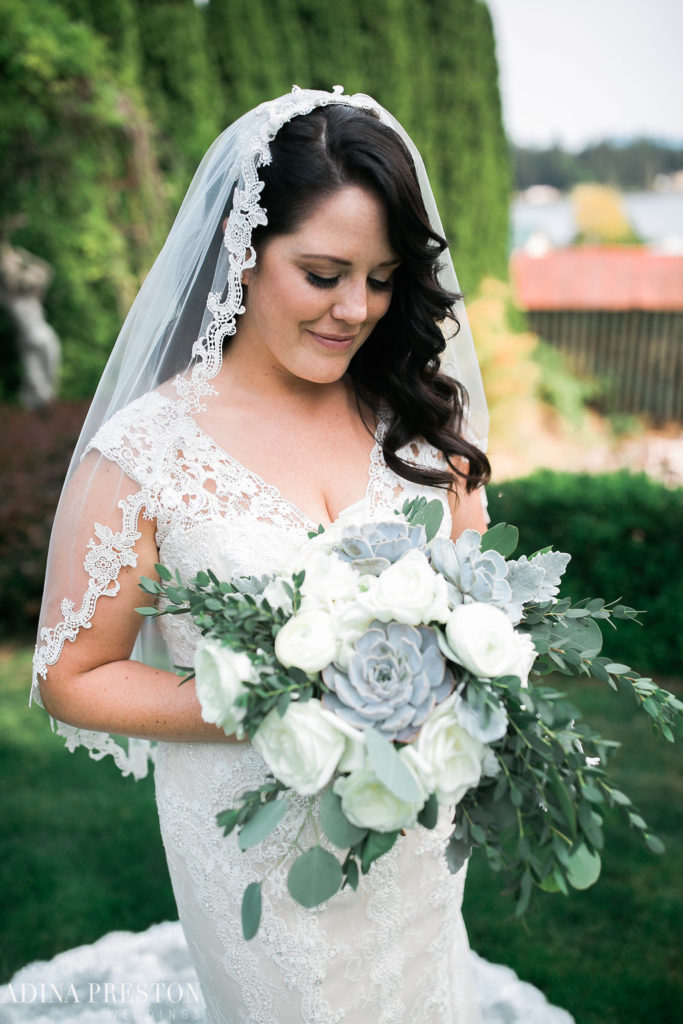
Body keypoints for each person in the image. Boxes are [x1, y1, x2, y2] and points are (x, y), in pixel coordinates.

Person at [29, 88, 569, 1024]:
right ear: (245, 253)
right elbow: (71, 675)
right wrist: (283, 700)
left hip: (411, 837)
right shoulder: (148, 451)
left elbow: (480, 602)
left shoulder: (419, 427)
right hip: (255, 863)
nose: (354, 308)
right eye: (321, 274)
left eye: (382, 276)